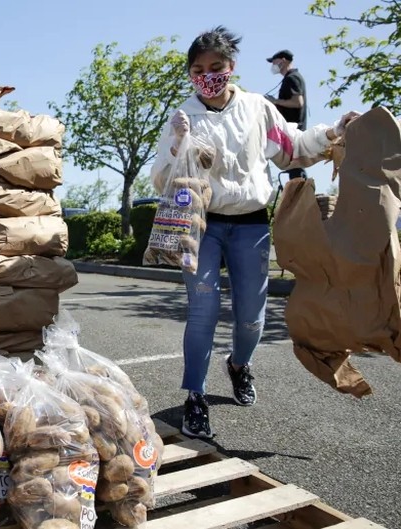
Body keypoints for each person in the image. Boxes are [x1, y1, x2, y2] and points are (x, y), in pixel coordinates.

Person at [150, 26, 360, 439]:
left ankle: (239, 364)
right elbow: (161, 180)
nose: (207, 75)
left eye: (216, 67)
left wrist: (335, 131)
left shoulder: (256, 109)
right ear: (190, 72)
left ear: (232, 68)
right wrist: (177, 146)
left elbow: (292, 149)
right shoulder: (182, 117)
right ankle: (196, 394)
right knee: (203, 311)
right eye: (198, 68)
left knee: (251, 319)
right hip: (202, 225)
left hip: (250, 223)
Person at [266, 49, 308, 179]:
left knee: (295, 167)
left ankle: (301, 195)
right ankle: (299, 194)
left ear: (283, 60)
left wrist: (274, 101)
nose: (273, 65)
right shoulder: (291, 78)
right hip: (292, 128)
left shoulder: (292, 78)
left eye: (274, 62)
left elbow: (298, 102)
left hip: (293, 129)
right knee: (293, 166)